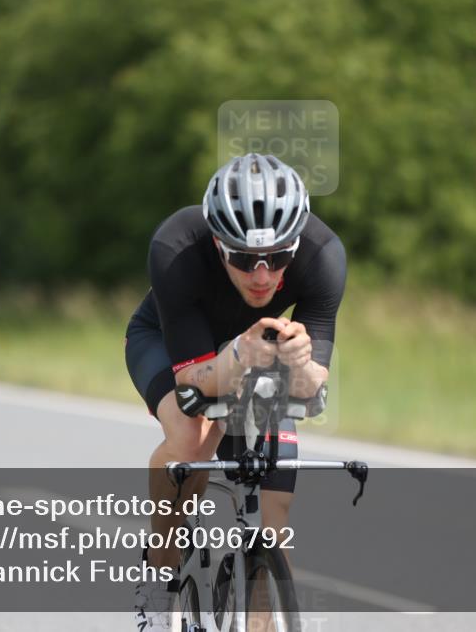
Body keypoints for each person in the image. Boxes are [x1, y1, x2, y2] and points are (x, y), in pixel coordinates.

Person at [126, 153, 347, 631]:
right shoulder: (176, 246)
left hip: (256, 352)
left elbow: (312, 393)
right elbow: (194, 384)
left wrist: (302, 362)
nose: (262, 276)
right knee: (190, 435)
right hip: (171, 346)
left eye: (278, 258)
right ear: (218, 244)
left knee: (275, 514)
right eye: (245, 259)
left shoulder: (323, 255)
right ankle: (161, 574)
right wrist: (239, 356)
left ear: (297, 244)